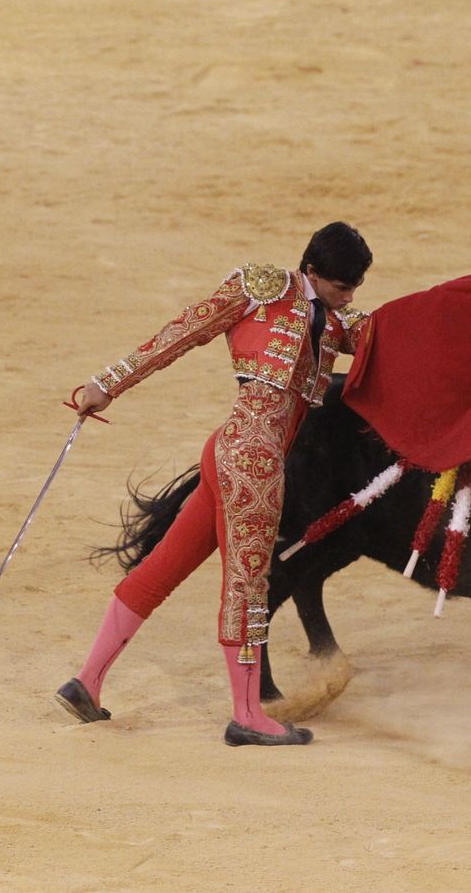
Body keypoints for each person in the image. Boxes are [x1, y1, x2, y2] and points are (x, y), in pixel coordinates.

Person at [55, 222, 373, 746]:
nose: (350, 296)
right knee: (248, 585)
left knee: (161, 570)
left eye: (356, 287)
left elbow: (383, 340)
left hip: (231, 451)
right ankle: (247, 715)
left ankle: (86, 682)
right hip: (253, 462)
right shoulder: (261, 288)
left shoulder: (335, 321)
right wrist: (108, 383)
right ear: (312, 271)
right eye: (343, 286)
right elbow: (184, 331)